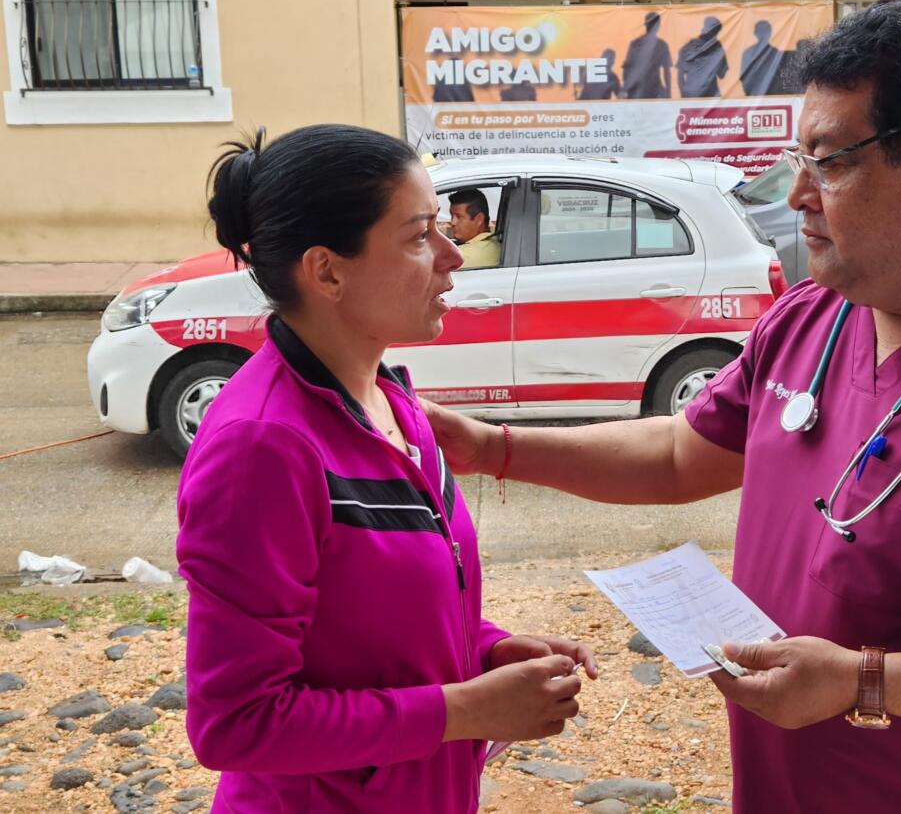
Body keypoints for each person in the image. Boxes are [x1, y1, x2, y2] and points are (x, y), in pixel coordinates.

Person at [421, 0, 901, 812]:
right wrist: (488, 446)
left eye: (829, 164)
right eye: (799, 159)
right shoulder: (817, 314)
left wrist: (864, 681)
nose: (796, 195)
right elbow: (683, 452)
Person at [177, 124, 594, 813]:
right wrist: (463, 710)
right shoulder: (262, 448)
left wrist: (486, 651)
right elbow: (235, 722)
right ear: (327, 271)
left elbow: (368, 623)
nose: (453, 256)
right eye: (419, 235)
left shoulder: (393, 402)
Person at [622, 11, 672, 99]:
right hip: (639, 90)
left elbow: (667, 71)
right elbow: (627, 68)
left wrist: (668, 93)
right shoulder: (636, 44)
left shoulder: (661, 45)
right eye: (652, 23)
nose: (653, 26)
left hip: (650, 90)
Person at [447, 188, 501, 269]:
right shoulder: (496, 244)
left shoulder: (462, 256)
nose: (452, 222)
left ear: (479, 219)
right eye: (452, 216)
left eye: (459, 217)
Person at [677, 16, 729, 98]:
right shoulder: (717, 48)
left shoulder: (687, 47)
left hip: (690, 92)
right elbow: (722, 75)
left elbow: (680, 75)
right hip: (711, 94)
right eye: (717, 31)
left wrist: (683, 94)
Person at [739, 20, 782, 97]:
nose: (763, 35)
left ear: (770, 33)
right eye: (761, 32)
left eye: (765, 32)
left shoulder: (776, 53)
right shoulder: (748, 52)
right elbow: (743, 75)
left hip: (772, 95)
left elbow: (780, 75)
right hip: (753, 93)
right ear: (755, 33)